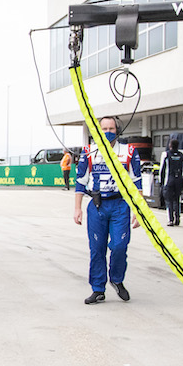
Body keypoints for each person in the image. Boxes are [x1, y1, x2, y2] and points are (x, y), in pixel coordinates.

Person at [74, 115, 141, 304]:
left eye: (111, 129)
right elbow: (80, 182)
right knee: (97, 248)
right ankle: (98, 288)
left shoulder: (129, 151)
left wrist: (138, 210)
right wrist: (77, 208)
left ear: (117, 130)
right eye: (104, 129)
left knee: (120, 245)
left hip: (120, 205)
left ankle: (117, 279)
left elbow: (137, 182)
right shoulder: (89, 152)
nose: (108, 132)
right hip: (97, 206)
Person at [158, 138, 183, 226]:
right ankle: (177, 218)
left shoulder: (166, 154)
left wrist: (161, 182)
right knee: (177, 200)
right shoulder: (182, 155)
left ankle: (170, 219)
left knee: (168, 200)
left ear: (170, 145)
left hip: (168, 180)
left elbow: (162, 169)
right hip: (178, 180)